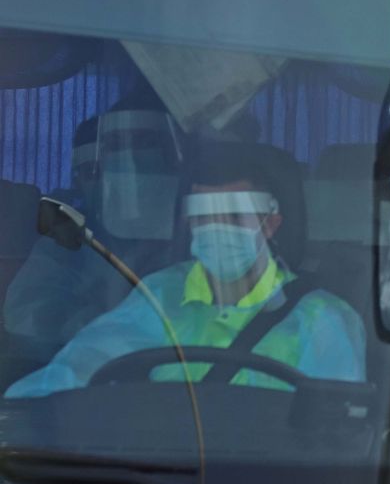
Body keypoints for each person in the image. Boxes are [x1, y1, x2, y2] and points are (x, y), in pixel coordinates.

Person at [7, 142, 364, 398]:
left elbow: (340, 437)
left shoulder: (324, 320)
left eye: (234, 218)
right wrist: (17, 424)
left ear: (270, 224)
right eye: (205, 218)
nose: (216, 229)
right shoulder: (161, 295)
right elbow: (80, 368)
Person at [5, 97, 185, 362]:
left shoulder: (204, 227)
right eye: (90, 172)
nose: (129, 172)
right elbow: (27, 315)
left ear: (172, 160)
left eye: (145, 147)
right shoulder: (67, 235)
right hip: (89, 378)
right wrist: (107, 316)